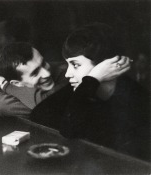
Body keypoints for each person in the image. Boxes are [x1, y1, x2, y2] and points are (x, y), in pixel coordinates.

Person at [33, 23, 149, 161]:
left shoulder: (137, 98)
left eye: (75, 65)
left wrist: (93, 78)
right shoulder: (82, 87)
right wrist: (93, 79)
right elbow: (38, 116)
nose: (68, 74)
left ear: (106, 65)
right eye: (68, 64)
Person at [0, 42, 68, 118]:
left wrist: (6, 87)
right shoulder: (12, 90)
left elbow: (49, 106)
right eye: (35, 73)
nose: (47, 74)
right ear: (17, 83)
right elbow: (0, 105)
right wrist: (7, 87)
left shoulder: (67, 72)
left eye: (43, 63)